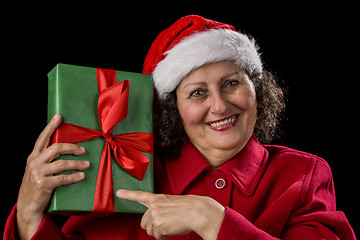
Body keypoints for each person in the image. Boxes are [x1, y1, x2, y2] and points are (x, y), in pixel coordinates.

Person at [3, 15, 356, 240]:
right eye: (198, 93)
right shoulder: (127, 173)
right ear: (173, 109)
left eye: (232, 83)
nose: (219, 105)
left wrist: (213, 220)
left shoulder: (304, 174)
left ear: (257, 89)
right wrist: (29, 215)